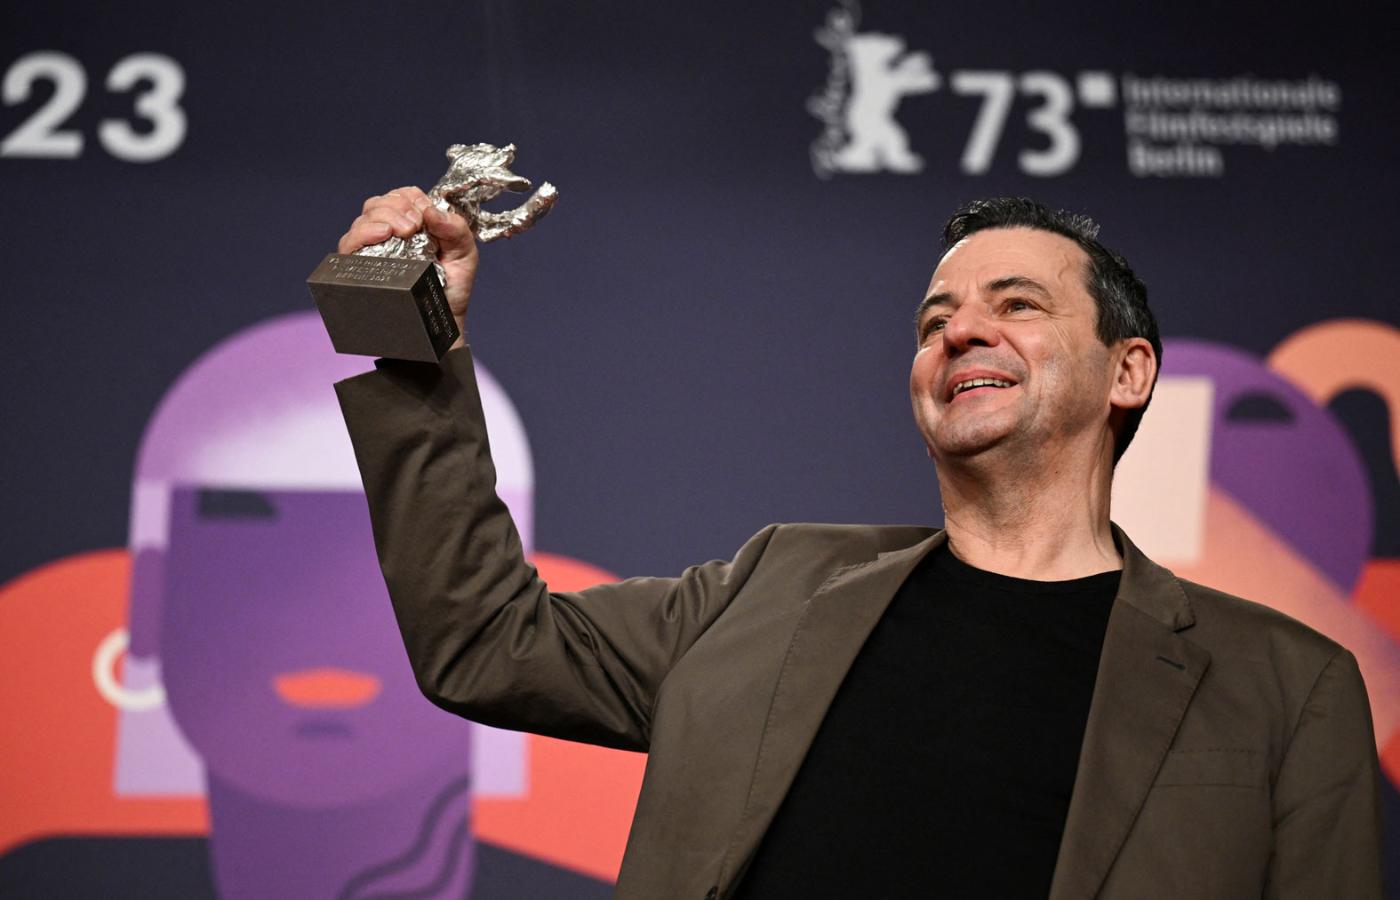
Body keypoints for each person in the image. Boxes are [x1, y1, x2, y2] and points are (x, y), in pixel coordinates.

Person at [331, 191, 1384, 899]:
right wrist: (409, 334)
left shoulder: (1283, 686)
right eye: (934, 321)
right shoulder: (773, 585)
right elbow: (488, 641)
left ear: (1128, 372)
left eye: (1016, 304)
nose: (959, 332)